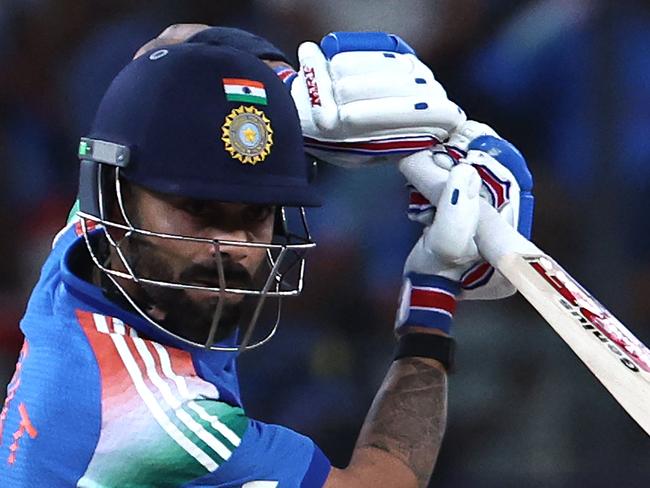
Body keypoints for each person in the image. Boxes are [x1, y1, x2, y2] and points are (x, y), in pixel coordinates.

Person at [0, 27, 533, 487]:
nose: (230, 248)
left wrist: (284, 90)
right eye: (198, 209)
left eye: (252, 216)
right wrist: (432, 297)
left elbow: (166, 49)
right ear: (120, 200)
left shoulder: (94, 237)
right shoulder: (157, 418)